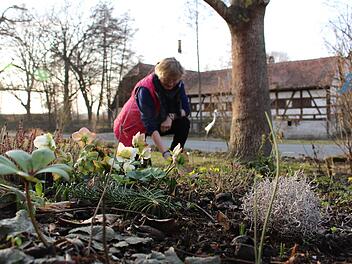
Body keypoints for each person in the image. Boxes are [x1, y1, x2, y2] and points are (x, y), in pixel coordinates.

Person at [113, 57, 190, 159]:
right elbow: (149, 124)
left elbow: (186, 109)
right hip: (130, 127)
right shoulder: (145, 89)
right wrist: (165, 154)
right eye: (167, 80)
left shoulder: (179, 85)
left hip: (156, 119)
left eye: (174, 80)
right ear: (160, 75)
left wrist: (170, 117)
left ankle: (175, 156)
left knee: (183, 122)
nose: (171, 84)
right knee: (138, 167)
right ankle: (166, 157)